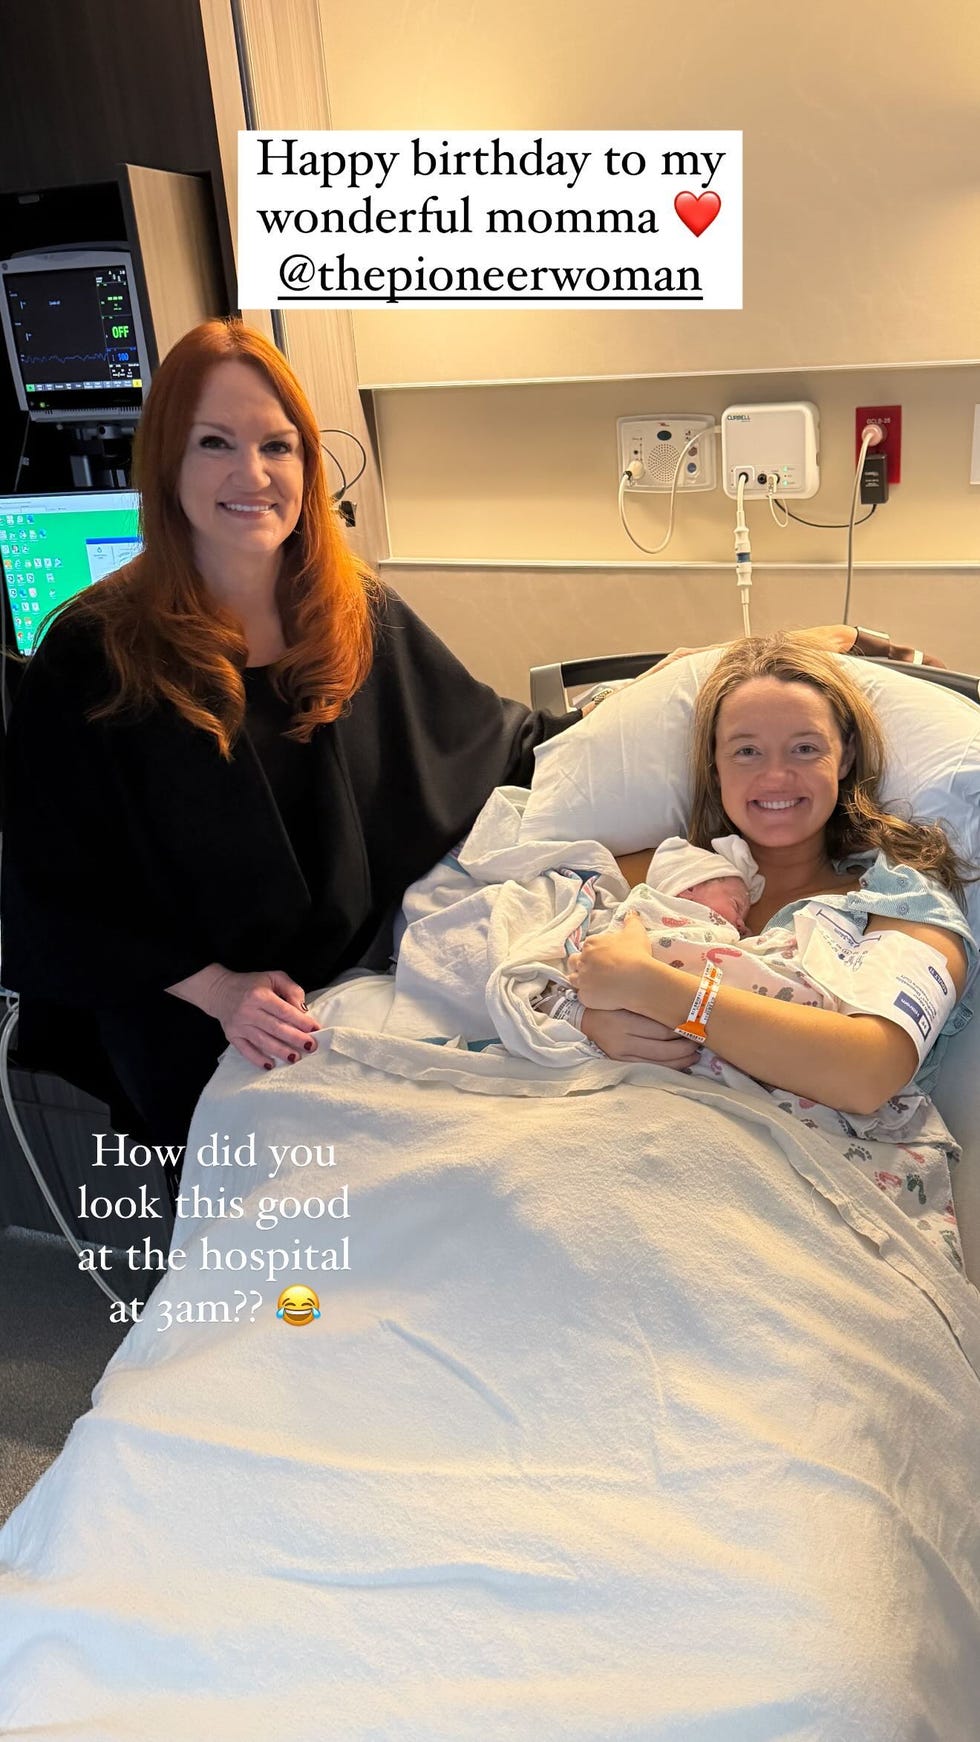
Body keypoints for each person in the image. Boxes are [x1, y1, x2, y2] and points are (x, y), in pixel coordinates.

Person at [3, 319, 600, 1175]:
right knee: (263, 1250)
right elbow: (49, 895)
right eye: (215, 443)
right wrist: (220, 991)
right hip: (196, 1017)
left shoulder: (354, 613)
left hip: (351, 995)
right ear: (167, 461)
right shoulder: (95, 655)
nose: (253, 475)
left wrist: (702, 707)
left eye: (277, 446)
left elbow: (500, 742)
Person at [569, 633, 976, 1117]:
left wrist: (654, 991)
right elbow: (524, 952)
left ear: (843, 758)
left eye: (804, 748)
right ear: (715, 767)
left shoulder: (896, 902)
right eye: (746, 751)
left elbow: (869, 1070)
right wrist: (582, 1017)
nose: (776, 777)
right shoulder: (661, 871)